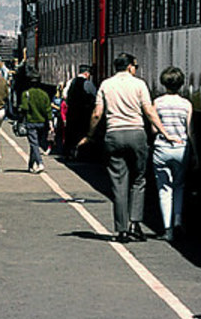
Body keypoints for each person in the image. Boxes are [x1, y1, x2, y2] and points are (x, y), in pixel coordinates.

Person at [84, 52, 177, 243]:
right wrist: (165, 133)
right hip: (136, 134)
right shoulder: (139, 84)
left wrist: (89, 136)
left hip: (113, 135)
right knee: (139, 180)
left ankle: (121, 230)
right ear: (129, 67)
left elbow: (97, 114)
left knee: (118, 183)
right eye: (135, 66)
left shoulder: (106, 85)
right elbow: (149, 111)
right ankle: (135, 223)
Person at [152, 66, 193, 242]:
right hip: (181, 149)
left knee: (164, 189)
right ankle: (178, 220)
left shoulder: (157, 103)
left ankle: (167, 229)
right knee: (179, 186)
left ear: (164, 83)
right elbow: (190, 132)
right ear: (181, 83)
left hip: (162, 149)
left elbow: (153, 129)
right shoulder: (186, 104)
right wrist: (195, 154)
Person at [19, 71, 53, 173]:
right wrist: (50, 123)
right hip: (42, 123)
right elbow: (48, 110)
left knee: (34, 144)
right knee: (35, 144)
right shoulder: (44, 94)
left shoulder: (26, 94)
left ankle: (39, 163)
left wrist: (20, 119)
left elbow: (24, 108)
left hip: (31, 122)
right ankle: (30, 165)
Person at [64, 64, 97, 159]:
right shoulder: (88, 83)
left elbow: (65, 96)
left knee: (71, 133)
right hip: (83, 114)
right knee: (82, 133)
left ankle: (68, 152)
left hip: (71, 113)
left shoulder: (71, 82)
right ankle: (80, 153)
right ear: (86, 74)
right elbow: (95, 95)